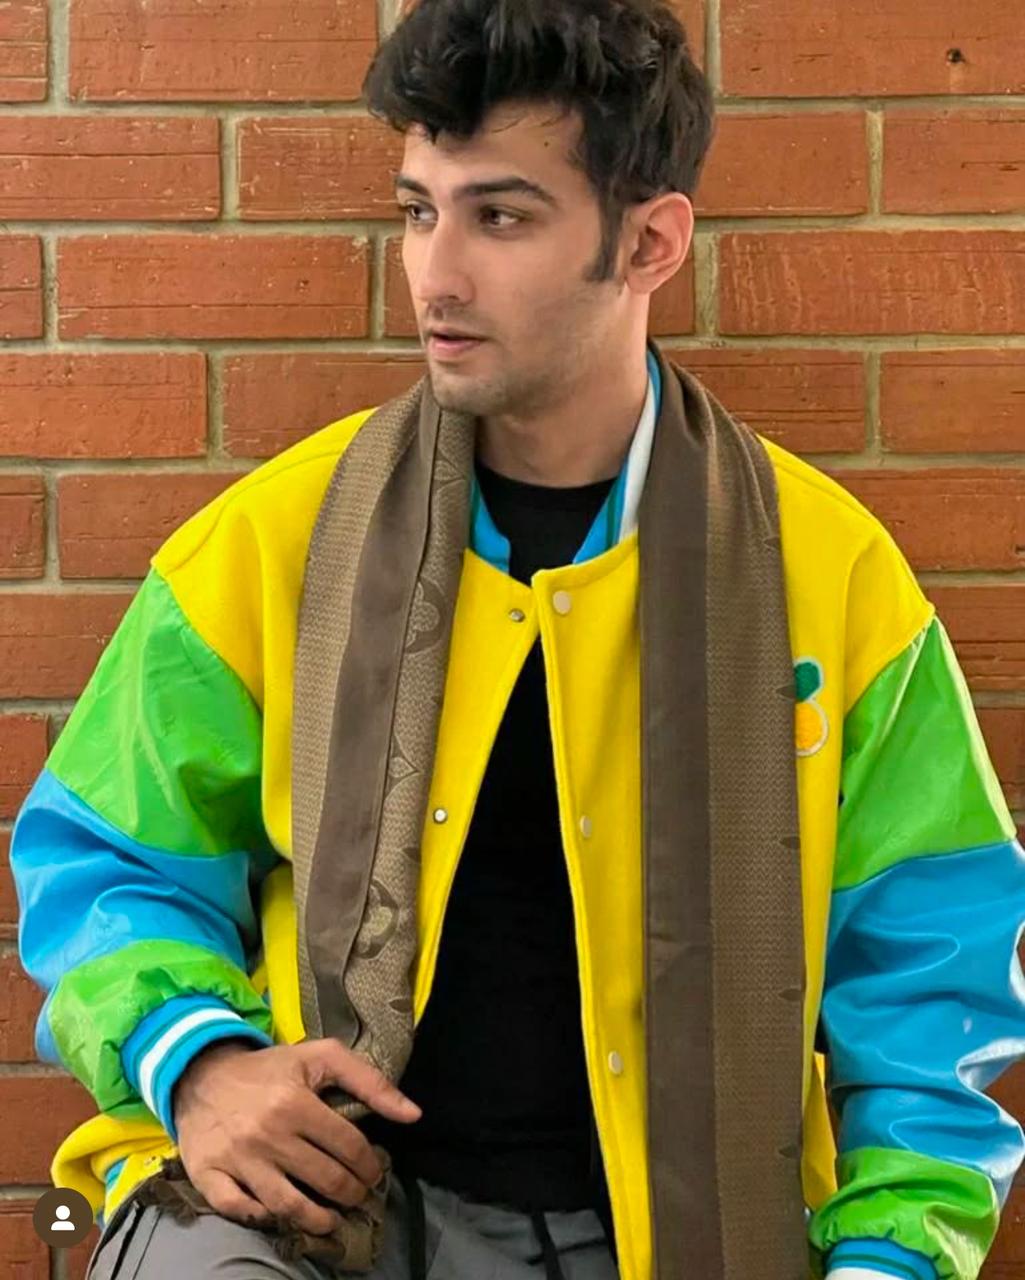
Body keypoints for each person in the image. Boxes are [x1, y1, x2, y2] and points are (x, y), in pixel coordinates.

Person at [11, 1, 1025, 1278]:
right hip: (316, 1210)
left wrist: (887, 1258)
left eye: (498, 217)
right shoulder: (275, 540)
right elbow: (101, 852)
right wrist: (202, 1065)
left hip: (672, 1236)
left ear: (649, 241)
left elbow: (930, 995)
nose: (434, 274)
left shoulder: (833, 579)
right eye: (416, 211)